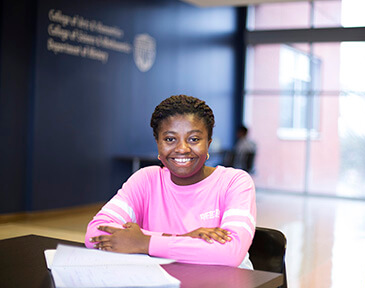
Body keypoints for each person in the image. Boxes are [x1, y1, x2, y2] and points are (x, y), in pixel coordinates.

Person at [85, 95, 256, 269]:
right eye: (169, 139)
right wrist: (183, 239)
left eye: (194, 139)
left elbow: (230, 253)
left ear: (208, 144)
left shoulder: (235, 182)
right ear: (158, 144)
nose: (182, 148)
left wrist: (144, 243)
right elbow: (94, 233)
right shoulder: (146, 180)